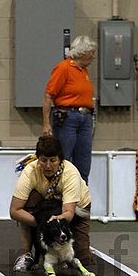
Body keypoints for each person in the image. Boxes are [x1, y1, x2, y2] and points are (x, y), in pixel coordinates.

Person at [10, 135, 93, 272]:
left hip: (76, 208)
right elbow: (14, 210)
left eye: (53, 160)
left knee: (81, 258)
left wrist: (54, 225)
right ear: (38, 159)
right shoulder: (30, 171)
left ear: (60, 159)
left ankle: (81, 245)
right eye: (43, 160)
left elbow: (69, 213)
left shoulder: (70, 173)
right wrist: (45, 226)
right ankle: (26, 254)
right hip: (46, 206)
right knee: (27, 200)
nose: (48, 165)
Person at [42, 35, 97, 184]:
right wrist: (46, 124)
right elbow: (48, 95)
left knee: (84, 163)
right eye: (91, 52)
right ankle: (60, 199)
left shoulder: (83, 71)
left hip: (85, 119)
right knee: (64, 160)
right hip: (68, 119)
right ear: (82, 52)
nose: (93, 56)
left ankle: (81, 200)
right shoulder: (63, 68)